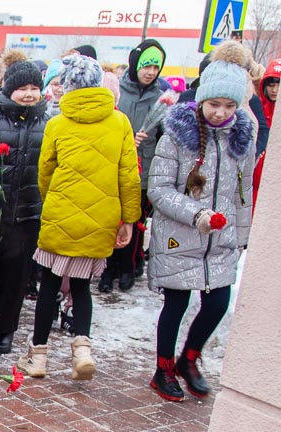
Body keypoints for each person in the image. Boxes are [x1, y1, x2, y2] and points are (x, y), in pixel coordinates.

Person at [18, 55, 140, 382]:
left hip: (61, 215)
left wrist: (53, 202)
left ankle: (39, 357)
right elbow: (129, 176)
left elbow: (44, 172)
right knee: (83, 287)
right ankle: (82, 350)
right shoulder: (120, 123)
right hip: (101, 219)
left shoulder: (57, 123)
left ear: (68, 86)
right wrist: (128, 219)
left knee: (49, 287)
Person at [147, 61, 254, 402]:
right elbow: (159, 189)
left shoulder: (242, 140)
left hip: (220, 241)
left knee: (218, 303)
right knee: (176, 303)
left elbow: (243, 191)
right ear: (201, 100)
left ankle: (188, 359)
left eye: (229, 106)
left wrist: (241, 236)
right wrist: (197, 215)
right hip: (181, 235)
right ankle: (163, 368)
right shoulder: (177, 136)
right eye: (214, 104)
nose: (221, 113)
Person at [0, 60, 48, 354]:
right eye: (22, 88)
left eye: (34, 88)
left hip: (28, 211)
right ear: (9, 89)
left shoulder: (47, 123)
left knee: (17, 274)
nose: (29, 94)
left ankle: (6, 329)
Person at [103, 38, 167, 293]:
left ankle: (128, 267)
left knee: (136, 220)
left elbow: (166, 136)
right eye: (146, 65)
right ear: (135, 64)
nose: (150, 72)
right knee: (111, 220)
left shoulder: (161, 99)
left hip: (144, 168)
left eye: (156, 67)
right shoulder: (118, 90)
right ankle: (107, 269)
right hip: (115, 166)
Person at [252, 58, 281, 204]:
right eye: (270, 85)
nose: (275, 90)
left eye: (279, 85)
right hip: (254, 176)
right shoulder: (258, 109)